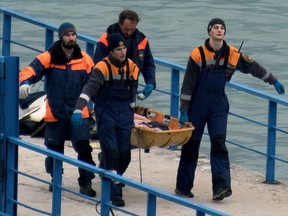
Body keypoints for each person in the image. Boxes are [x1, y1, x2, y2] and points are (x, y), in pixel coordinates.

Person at [174, 18, 285, 201]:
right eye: (215, 28)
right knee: (191, 145)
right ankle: (183, 187)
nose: (219, 30)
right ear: (209, 32)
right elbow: (187, 86)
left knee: (219, 143)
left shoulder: (232, 54)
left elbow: (253, 67)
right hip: (197, 105)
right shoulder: (197, 54)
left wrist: (273, 80)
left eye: (222, 28)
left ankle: (221, 187)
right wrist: (183, 110)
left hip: (218, 105)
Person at [19, 22, 97, 197]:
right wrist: (25, 83)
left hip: (80, 112)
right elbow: (30, 69)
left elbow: (94, 83)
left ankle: (86, 181)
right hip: (55, 111)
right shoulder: (49, 57)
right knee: (54, 148)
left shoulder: (85, 59)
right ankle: (56, 179)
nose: (71, 38)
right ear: (61, 37)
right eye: (68, 35)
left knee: (84, 147)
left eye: (74, 35)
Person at [71, 33, 140, 207]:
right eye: (119, 49)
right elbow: (89, 88)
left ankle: (108, 172)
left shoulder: (131, 66)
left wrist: (135, 113)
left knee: (125, 156)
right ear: (110, 51)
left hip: (125, 115)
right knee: (112, 153)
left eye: (124, 48)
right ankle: (115, 195)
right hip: (106, 115)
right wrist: (79, 108)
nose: (123, 52)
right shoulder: (101, 68)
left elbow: (132, 90)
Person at [94, 9, 156, 100]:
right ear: (119, 23)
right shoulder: (105, 40)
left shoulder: (142, 40)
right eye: (126, 29)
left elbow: (148, 63)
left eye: (132, 29)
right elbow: (97, 66)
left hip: (131, 88)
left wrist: (150, 82)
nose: (129, 32)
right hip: (107, 90)